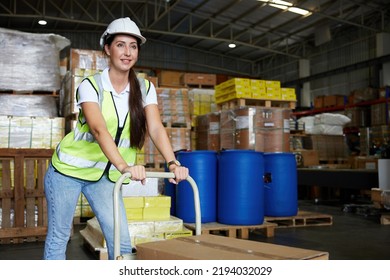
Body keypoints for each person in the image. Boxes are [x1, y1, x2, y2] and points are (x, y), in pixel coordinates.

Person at [43, 17, 189, 260]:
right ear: (107, 49)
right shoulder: (91, 85)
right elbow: (99, 130)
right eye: (120, 45)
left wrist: (173, 163)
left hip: (104, 176)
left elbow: (155, 127)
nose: (127, 52)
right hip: (67, 172)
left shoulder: (144, 88)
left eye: (133, 46)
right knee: (59, 237)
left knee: (121, 243)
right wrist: (125, 166)